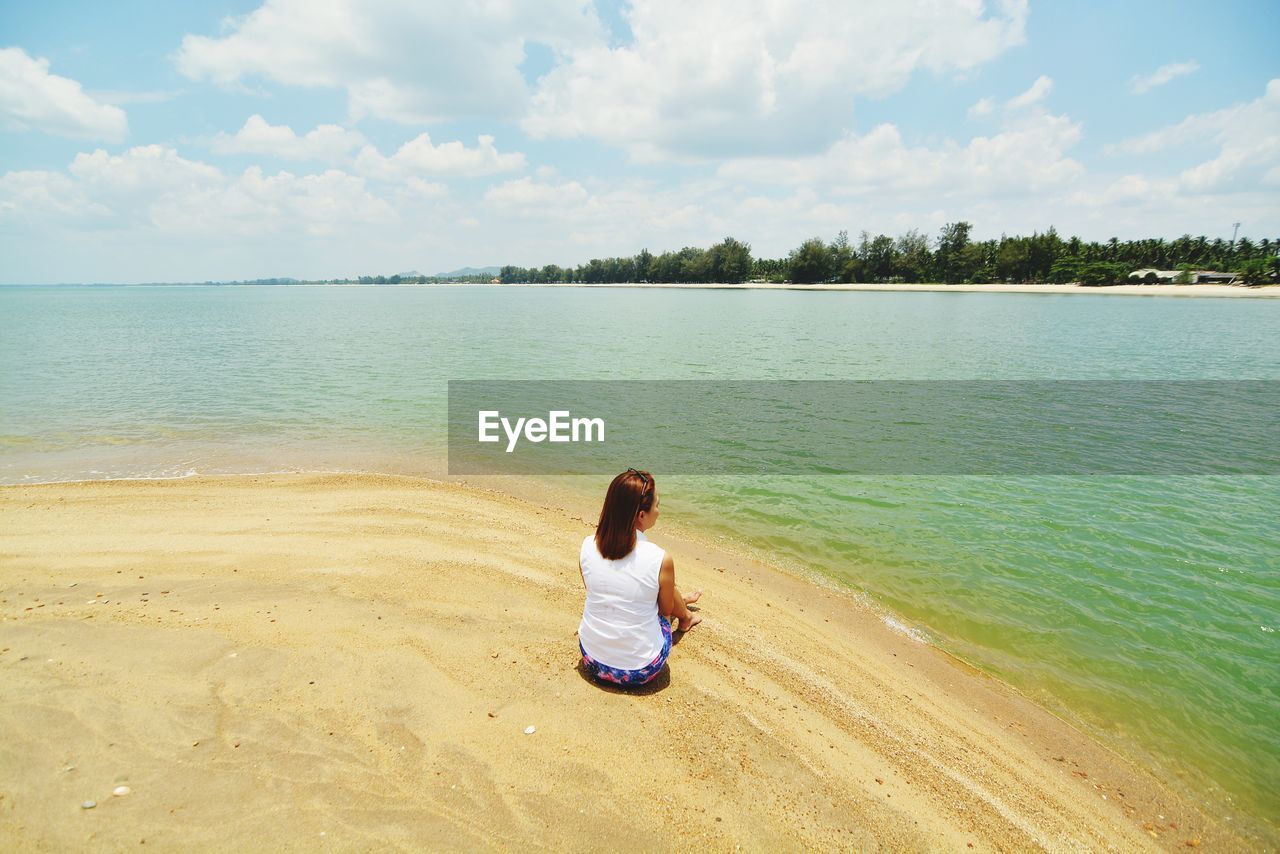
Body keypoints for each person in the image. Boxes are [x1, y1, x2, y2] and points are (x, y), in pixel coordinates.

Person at [577, 468, 702, 686]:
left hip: (592, 659)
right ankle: (686, 617)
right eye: (657, 505)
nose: (659, 511)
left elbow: (593, 589)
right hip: (640, 670)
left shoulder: (587, 545)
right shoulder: (660, 558)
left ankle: (682, 603)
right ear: (641, 515)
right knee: (663, 588)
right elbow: (664, 611)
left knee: (650, 583)